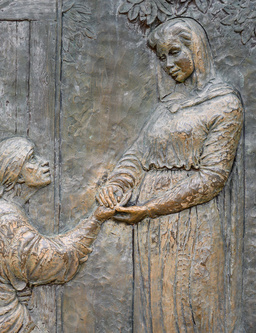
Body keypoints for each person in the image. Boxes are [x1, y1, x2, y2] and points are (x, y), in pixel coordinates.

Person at [97, 18, 244, 332]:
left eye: (175, 52)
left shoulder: (225, 105)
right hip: (152, 230)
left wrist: (151, 207)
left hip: (191, 223)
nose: (167, 64)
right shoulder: (167, 107)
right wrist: (116, 184)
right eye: (161, 57)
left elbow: (212, 178)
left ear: (196, 49)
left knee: (190, 302)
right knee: (155, 307)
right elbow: (138, 154)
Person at [0, 137, 116, 333]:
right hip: (4, 326)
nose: (43, 162)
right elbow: (54, 260)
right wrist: (95, 221)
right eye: (32, 159)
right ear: (16, 174)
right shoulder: (8, 225)